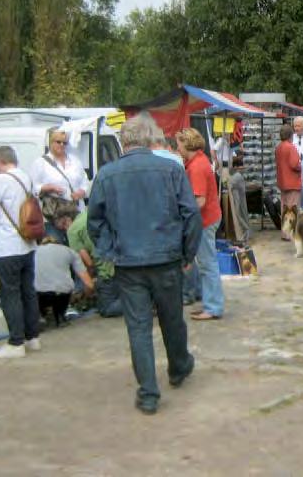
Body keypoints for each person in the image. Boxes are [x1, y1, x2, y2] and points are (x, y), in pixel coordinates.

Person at [88, 115, 202, 415]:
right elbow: (191, 214)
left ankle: (149, 392)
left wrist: (109, 252)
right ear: (151, 138)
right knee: (171, 317)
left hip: (128, 262)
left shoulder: (107, 174)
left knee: (138, 327)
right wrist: (187, 254)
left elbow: (95, 221)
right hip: (165, 259)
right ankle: (178, 367)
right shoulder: (171, 169)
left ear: (123, 141)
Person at [0, 146, 41, 358]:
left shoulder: (0, 180)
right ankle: (32, 338)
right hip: (28, 243)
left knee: (9, 293)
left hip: (8, 245)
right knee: (27, 291)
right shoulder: (25, 177)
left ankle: (16, 342)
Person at [176, 127, 225, 322]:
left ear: (187, 144)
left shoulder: (196, 167)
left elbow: (199, 201)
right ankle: (208, 302)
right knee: (204, 263)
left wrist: (183, 217)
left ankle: (213, 307)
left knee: (207, 264)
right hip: (209, 218)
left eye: (179, 143)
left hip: (205, 220)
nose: (177, 148)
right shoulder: (199, 161)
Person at [30, 129, 89, 235]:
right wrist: (49, 187)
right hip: (54, 216)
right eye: (58, 142)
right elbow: (33, 188)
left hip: (76, 213)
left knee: (77, 248)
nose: (62, 145)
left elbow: (85, 182)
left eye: (64, 142)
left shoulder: (75, 161)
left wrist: (81, 192)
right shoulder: (40, 163)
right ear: (50, 142)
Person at [67, 210, 123, 318]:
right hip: (121, 261)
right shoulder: (88, 213)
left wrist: (90, 283)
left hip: (107, 270)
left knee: (105, 309)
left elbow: (88, 262)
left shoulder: (72, 231)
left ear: (64, 220)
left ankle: (142, 301)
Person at [34, 236, 94, 327]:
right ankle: (60, 316)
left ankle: (41, 316)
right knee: (63, 289)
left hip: (40, 294)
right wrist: (86, 295)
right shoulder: (69, 251)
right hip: (62, 294)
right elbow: (88, 282)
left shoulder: (33, 252)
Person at [275, 124, 302, 241]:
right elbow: (295, 164)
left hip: (282, 181)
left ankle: (284, 233)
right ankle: (290, 233)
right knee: (293, 209)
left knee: (284, 209)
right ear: (291, 135)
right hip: (292, 182)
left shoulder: (278, 147)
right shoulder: (291, 147)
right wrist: (301, 165)